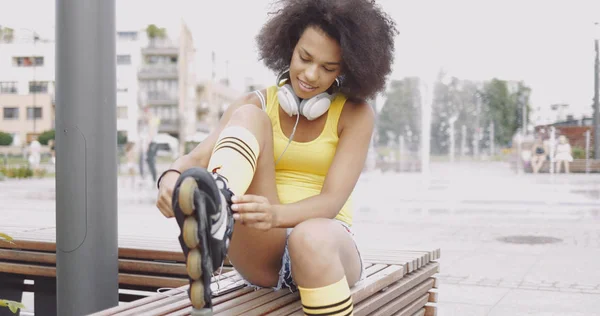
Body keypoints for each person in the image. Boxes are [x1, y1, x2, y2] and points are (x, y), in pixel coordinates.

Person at [155, 0, 397, 313]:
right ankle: (217, 209)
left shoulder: (355, 114)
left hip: (325, 245)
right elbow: (194, 159)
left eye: (328, 68)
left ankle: (218, 215)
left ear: (347, 68)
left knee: (308, 237)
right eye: (305, 58)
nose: (311, 74)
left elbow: (331, 201)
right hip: (262, 248)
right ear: (290, 45)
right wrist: (171, 177)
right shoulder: (257, 103)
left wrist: (275, 214)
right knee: (249, 115)